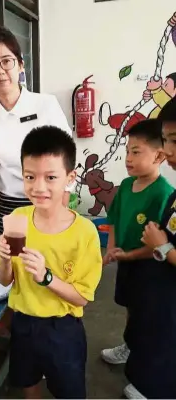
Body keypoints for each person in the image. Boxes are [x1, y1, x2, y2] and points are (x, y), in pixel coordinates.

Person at [0, 126, 102, 399]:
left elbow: (81, 298)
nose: (38, 187)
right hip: (23, 322)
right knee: (27, 380)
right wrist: (5, 260)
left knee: (69, 390)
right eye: (30, 176)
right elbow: (4, 280)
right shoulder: (17, 219)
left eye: (50, 177)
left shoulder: (84, 233)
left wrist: (47, 277)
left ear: (69, 177)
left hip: (61, 329)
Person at [0, 27, 74, 234]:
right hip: (11, 205)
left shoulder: (45, 105)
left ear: (20, 65)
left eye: (6, 61)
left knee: (52, 262)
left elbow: (67, 158)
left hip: (50, 199)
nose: (0, 71)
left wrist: (61, 204)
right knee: (14, 262)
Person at [100, 119, 174, 394]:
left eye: (136, 152)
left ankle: (142, 356)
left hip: (149, 266)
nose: (128, 159)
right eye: (127, 151)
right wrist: (111, 248)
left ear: (158, 155)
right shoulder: (126, 185)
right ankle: (130, 346)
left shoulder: (164, 194)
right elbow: (115, 221)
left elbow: (158, 242)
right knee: (130, 304)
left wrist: (129, 256)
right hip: (126, 261)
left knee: (147, 313)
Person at [123, 96, 176, 399]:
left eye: (174, 141)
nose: (167, 151)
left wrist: (163, 247)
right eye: (166, 140)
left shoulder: (163, 191)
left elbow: (164, 243)